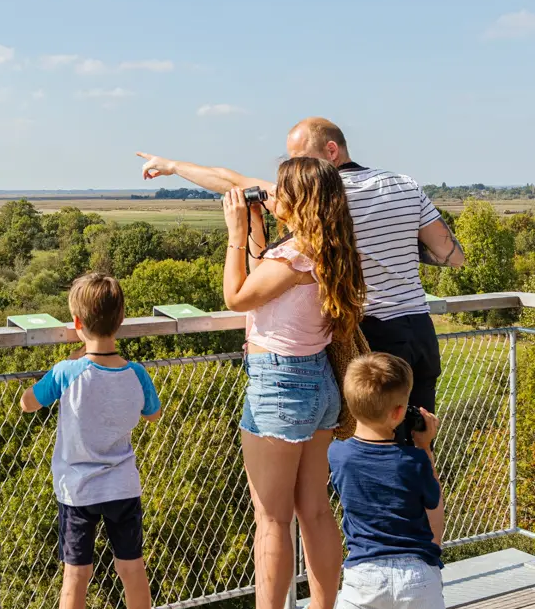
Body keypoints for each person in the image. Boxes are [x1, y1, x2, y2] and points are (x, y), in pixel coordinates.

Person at [137, 117, 464, 442]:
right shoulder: (405, 185)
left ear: (331, 151)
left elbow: (231, 181)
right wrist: (394, 244)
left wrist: (173, 165)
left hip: (369, 336)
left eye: (299, 158)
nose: (295, 167)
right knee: (420, 441)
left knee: (368, 450)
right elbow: (452, 256)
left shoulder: (320, 198)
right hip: (419, 330)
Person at [220, 157, 365, 609]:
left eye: (280, 193)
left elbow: (237, 295)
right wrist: (260, 235)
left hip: (279, 384)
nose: (272, 199)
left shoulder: (298, 252)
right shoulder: (330, 247)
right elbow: (274, 284)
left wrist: (237, 236)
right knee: (315, 511)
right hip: (320, 385)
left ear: (298, 201)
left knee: (273, 518)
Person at [20, 272, 162, 609]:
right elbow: (151, 413)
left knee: (75, 577)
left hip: (78, 493)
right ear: (121, 321)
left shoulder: (68, 372)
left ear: (77, 325)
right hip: (123, 488)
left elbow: (28, 402)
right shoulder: (136, 374)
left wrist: (61, 367)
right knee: (132, 570)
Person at [322, 353, 452, 609]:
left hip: (365, 574)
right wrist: (424, 448)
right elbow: (433, 501)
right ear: (399, 412)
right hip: (418, 576)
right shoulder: (413, 461)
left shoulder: (338, 455)